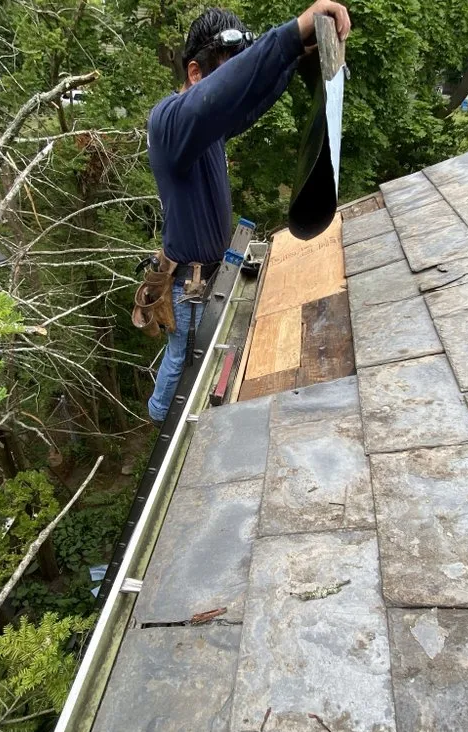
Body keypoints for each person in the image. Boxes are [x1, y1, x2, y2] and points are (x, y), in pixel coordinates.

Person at [145, 0, 351, 424]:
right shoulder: (169, 124)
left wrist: (294, 58)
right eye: (222, 74)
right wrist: (292, 32)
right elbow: (228, 91)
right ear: (195, 73)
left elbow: (247, 97)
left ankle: (165, 417)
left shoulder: (206, 127)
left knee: (189, 364)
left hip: (208, 274)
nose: (228, 91)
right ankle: (159, 425)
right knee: (181, 362)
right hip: (189, 285)